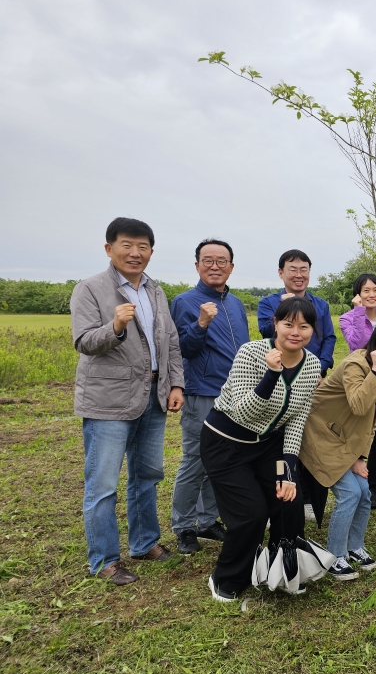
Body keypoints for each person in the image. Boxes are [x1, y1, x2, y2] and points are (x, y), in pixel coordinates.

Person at [70, 217, 185, 585]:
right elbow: (85, 341)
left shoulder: (155, 291)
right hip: (108, 399)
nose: (135, 253)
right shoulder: (89, 289)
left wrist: (175, 384)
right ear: (109, 248)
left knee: (147, 473)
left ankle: (144, 542)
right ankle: (105, 559)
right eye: (126, 245)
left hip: (154, 395)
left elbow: (169, 342)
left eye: (143, 247)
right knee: (103, 483)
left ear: (151, 251)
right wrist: (115, 327)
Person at [200, 297, 322, 602]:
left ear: (313, 331)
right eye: (288, 324)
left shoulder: (312, 365)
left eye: (304, 326)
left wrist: (288, 472)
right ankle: (226, 577)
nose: (296, 331)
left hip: (268, 446)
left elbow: (297, 420)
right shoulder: (252, 353)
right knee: (251, 513)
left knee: (288, 501)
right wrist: (271, 375)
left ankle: (281, 568)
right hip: (225, 444)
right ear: (275, 325)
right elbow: (243, 412)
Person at [299, 317, 376, 581]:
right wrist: (375, 370)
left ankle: (354, 547)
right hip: (319, 432)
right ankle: (335, 556)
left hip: (346, 437)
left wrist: (360, 456)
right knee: (350, 493)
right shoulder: (356, 364)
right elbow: (360, 405)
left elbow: (373, 416)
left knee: (364, 491)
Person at [168, 239, 250, 555]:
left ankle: (207, 521)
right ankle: (184, 527)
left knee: (223, 459)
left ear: (231, 266)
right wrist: (201, 323)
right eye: (207, 260)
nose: (214, 266)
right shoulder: (185, 302)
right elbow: (183, 349)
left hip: (235, 394)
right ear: (197, 265)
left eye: (221, 261)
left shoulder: (236, 303)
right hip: (202, 391)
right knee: (195, 459)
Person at [339, 273, 376, 507]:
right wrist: (360, 312)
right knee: (359, 432)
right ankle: (357, 481)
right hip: (360, 383)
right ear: (358, 294)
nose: (371, 295)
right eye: (366, 290)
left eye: (375, 290)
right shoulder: (347, 318)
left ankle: (374, 486)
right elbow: (358, 344)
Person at [257, 249, 336, 377]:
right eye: (293, 270)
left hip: (313, 373)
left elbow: (329, 338)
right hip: (279, 371)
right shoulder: (267, 303)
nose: (299, 275)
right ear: (281, 273)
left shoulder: (321, 305)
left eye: (304, 270)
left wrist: (320, 369)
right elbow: (266, 333)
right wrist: (283, 307)